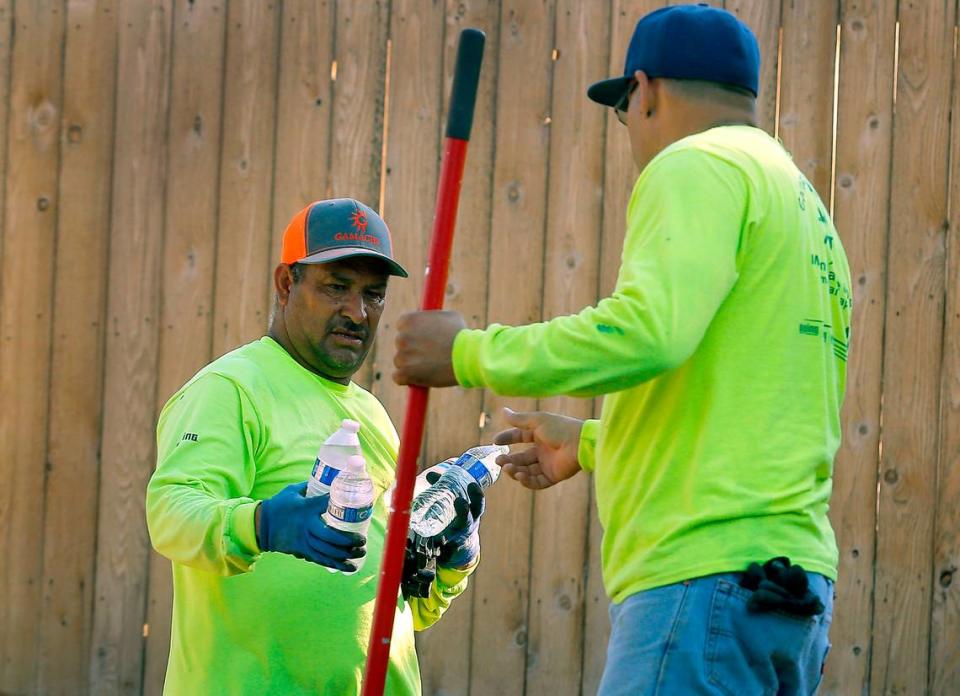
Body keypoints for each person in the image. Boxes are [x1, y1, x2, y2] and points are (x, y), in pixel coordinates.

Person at [392, 4, 851, 695]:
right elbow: (751, 405)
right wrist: (595, 443)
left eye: (624, 107)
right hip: (789, 590)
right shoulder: (803, 208)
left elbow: (649, 332)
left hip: (702, 582)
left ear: (646, 90)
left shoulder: (696, 164)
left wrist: (466, 353)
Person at [146, 198, 482, 694]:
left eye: (374, 294)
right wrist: (261, 525)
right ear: (286, 284)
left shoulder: (373, 417)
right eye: (336, 288)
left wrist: (453, 561)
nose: (357, 312)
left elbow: (399, 606)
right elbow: (171, 512)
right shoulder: (232, 389)